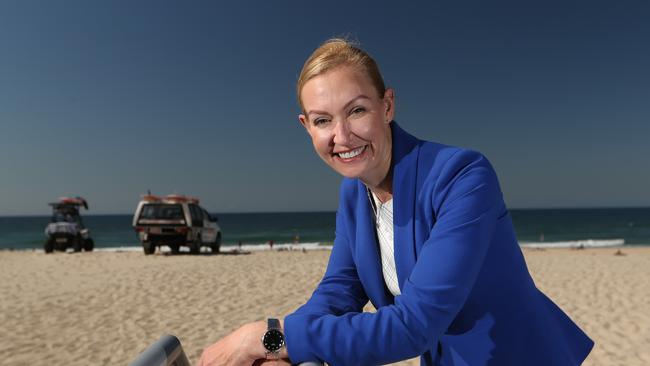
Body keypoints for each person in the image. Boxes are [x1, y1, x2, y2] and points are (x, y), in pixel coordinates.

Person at [199, 39, 594, 366]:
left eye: (356, 111)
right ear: (306, 127)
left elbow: (415, 324)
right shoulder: (354, 194)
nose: (342, 136)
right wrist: (279, 348)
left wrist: (266, 337)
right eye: (323, 121)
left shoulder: (462, 175)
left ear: (387, 106)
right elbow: (339, 291)